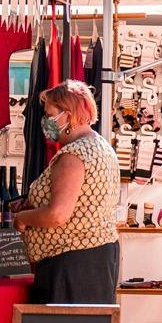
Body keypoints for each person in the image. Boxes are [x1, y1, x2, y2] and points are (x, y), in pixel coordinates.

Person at [12, 80, 122, 305]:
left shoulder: (73, 155)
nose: (45, 121)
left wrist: (23, 218)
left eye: (49, 114)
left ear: (68, 115)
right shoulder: (101, 147)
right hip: (95, 261)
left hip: (70, 266)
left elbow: (57, 214)